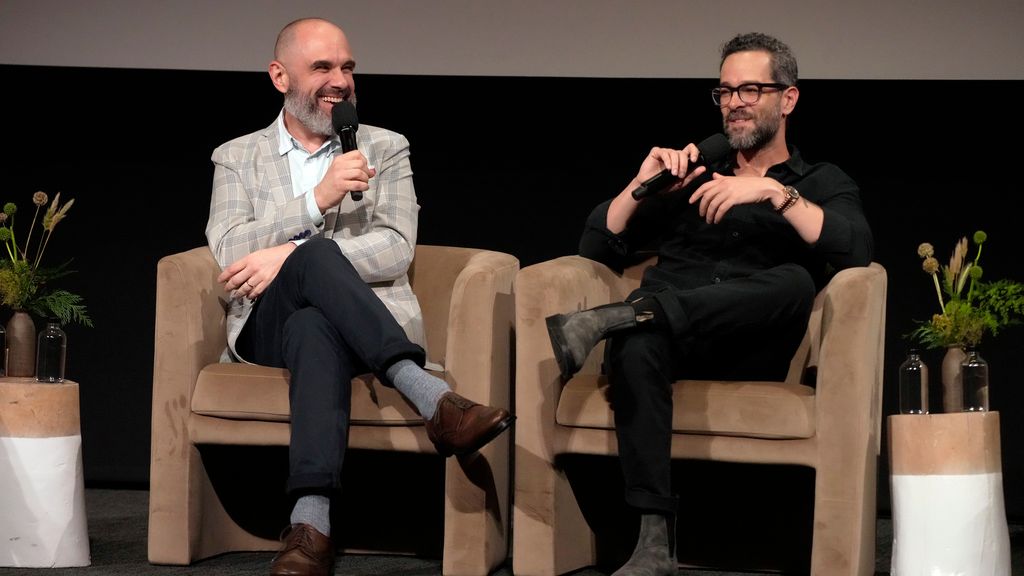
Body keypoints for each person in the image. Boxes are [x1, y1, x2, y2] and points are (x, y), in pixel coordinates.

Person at [545, 32, 872, 576]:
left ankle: (619, 317)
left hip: (748, 344)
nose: (735, 102)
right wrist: (642, 183)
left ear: (787, 98)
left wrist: (773, 194)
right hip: (669, 341)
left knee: (793, 279)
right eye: (724, 91)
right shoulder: (692, 175)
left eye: (750, 89)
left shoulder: (818, 181)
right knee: (638, 340)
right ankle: (652, 545)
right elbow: (595, 247)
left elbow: (855, 249)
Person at [205, 17, 513, 576]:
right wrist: (314, 202)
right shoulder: (237, 157)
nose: (340, 80)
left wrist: (284, 256)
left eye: (347, 67)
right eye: (322, 67)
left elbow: (396, 247)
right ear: (280, 76)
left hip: (341, 328)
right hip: (262, 325)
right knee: (316, 257)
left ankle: (310, 528)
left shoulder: (386, 148)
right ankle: (432, 398)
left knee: (313, 326)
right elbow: (229, 249)